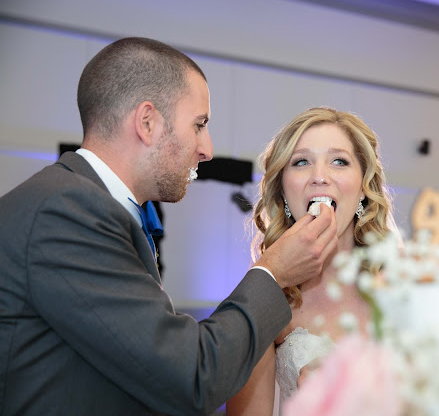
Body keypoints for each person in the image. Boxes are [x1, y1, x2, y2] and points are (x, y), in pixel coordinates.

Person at [0, 37, 338, 415]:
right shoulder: (66, 211)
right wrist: (272, 273)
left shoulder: (85, 205)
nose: (207, 148)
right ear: (147, 122)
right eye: (199, 124)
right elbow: (191, 375)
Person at [226, 107, 394, 415]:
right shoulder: (265, 299)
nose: (319, 176)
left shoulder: (403, 292)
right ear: (284, 191)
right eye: (301, 161)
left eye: (339, 161)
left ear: (363, 190)